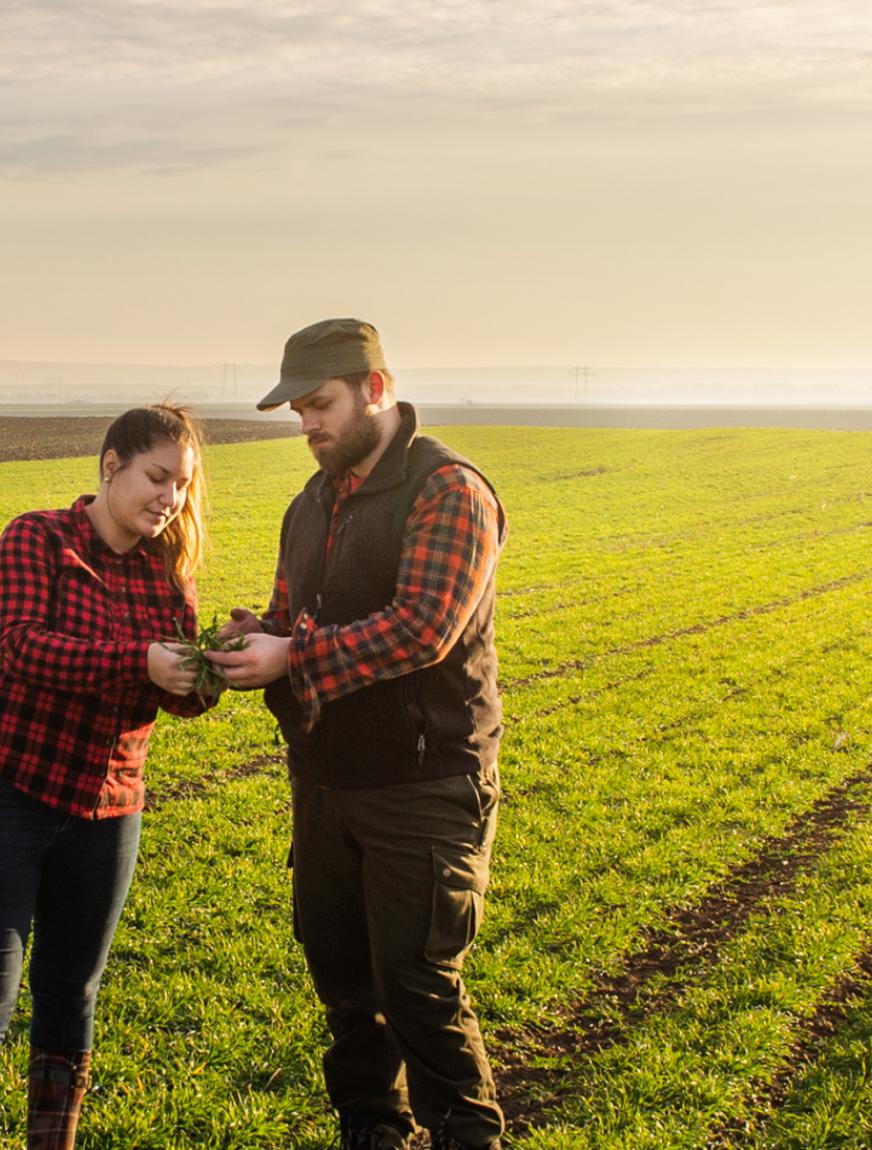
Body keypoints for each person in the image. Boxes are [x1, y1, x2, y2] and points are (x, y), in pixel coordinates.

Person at [206, 318, 507, 1150]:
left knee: (417, 989)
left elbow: (421, 629)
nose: (306, 426)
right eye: (298, 411)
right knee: (345, 988)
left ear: (376, 389)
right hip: (327, 785)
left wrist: (291, 652)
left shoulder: (447, 489)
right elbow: (292, 616)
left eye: (319, 404)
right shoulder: (310, 504)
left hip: (424, 786)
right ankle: (372, 1132)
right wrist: (250, 637)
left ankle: (466, 1137)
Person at [0, 404, 219, 1150]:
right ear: (109, 466)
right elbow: (23, 649)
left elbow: (172, 698)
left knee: (72, 993)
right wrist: (139, 662)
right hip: (16, 796)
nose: (171, 499)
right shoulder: (39, 537)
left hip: (110, 810)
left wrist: (203, 676)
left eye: (182, 486)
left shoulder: (167, 574)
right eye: (158, 478)